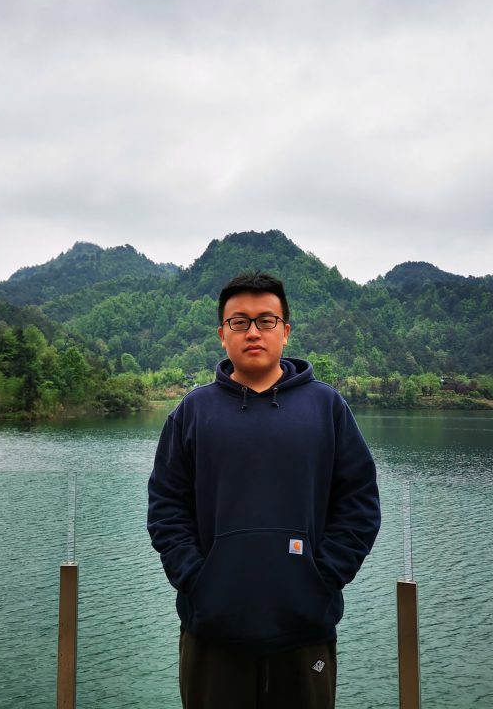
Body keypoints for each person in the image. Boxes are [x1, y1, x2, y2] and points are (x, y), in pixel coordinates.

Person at [147, 270, 381, 709]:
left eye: (266, 320)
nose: (253, 332)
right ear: (223, 334)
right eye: (239, 321)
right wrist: (197, 579)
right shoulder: (193, 412)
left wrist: (322, 577)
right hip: (212, 629)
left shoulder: (327, 407)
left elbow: (359, 503)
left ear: (285, 331)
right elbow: (166, 506)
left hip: (305, 629)